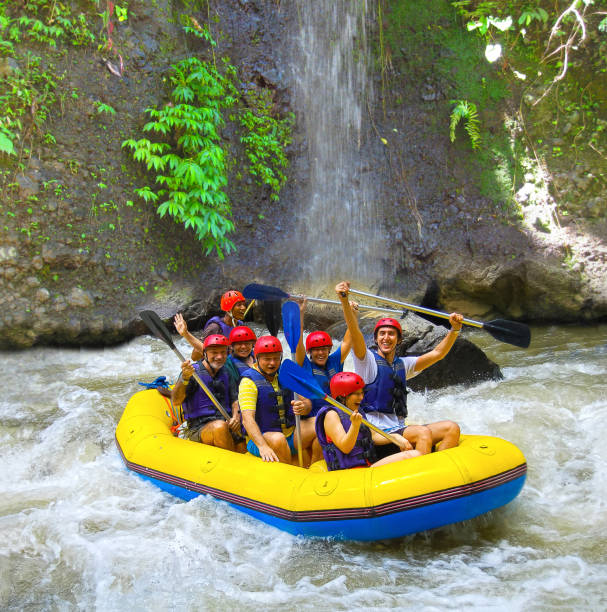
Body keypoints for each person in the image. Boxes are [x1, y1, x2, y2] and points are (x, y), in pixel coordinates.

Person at [335, 280, 464, 455]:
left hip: (398, 428)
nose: (386, 338)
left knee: (451, 428)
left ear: (399, 339)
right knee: (422, 433)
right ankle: (421, 475)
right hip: (378, 434)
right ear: (376, 339)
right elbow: (354, 332)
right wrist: (344, 301)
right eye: (382, 334)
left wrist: (454, 330)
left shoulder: (403, 365)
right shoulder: (366, 361)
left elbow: (437, 354)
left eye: (391, 334)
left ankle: (439, 471)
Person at [315, 372, 421, 470]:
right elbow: (345, 447)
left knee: (413, 452)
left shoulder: (357, 410)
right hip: (349, 472)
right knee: (411, 456)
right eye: (356, 394)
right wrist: (355, 426)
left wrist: (396, 438)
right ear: (342, 396)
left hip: (367, 465)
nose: (361, 397)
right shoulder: (331, 415)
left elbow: (373, 436)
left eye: (362, 393)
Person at [292, 298, 354, 463]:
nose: (321, 353)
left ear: (329, 350)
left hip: (333, 418)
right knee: (322, 436)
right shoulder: (304, 364)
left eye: (324, 349)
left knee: (320, 443)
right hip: (310, 421)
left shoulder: (335, 361)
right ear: (310, 352)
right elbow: (298, 342)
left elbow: (349, 340)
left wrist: (352, 314)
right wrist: (300, 312)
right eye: (316, 350)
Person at [239, 335, 312, 465]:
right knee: (278, 439)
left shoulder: (285, 375)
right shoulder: (248, 382)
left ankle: (315, 472)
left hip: (290, 435)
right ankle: (289, 477)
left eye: (276, 358)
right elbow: (247, 419)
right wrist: (262, 446)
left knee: (319, 423)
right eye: (267, 359)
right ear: (257, 358)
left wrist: (304, 407)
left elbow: (307, 403)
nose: (272, 363)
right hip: (262, 439)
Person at [171, 334, 245, 452]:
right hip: (198, 428)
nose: (219, 356)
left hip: (226, 422)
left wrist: (236, 416)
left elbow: (235, 400)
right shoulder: (192, 373)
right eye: (214, 352)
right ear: (205, 353)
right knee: (219, 428)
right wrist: (184, 378)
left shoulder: (226, 372)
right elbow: (175, 401)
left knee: (241, 444)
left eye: (223, 352)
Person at [191, 290, 248, 361]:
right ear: (228, 309)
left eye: (244, 304)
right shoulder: (215, 328)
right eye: (239, 305)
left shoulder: (241, 326)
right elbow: (194, 357)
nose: (243, 308)